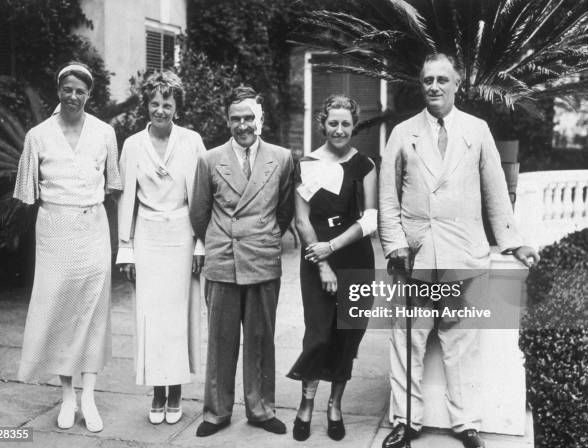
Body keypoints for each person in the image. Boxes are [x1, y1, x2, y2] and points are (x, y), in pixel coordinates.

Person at [378, 53, 540, 448]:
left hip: (463, 253)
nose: (434, 86)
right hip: (415, 255)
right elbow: (387, 197)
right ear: (422, 85)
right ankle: (406, 421)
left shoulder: (477, 129)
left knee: (461, 342)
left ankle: (465, 422)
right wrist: (396, 244)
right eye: (427, 80)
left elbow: (495, 191)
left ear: (456, 85)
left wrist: (513, 241)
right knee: (408, 340)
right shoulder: (403, 132)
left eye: (441, 80)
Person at [14, 61, 122, 433]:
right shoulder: (37, 136)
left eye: (81, 91)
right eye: (68, 89)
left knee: (92, 312)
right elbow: (28, 193)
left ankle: (88, 396)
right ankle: (67, 397)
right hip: (54, 231)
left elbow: (113, 185)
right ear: (58, 91)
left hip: (93, 228)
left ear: (89, 95)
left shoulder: (105, 133)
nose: (73, 96)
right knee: (60, 311)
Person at [189, 86, 294, 437]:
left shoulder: (281, 158)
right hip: (224, 257)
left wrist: (263, 237)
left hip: (263, 255)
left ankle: (261, 409)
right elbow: (199, 212)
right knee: (221, 339)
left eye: (249, 117)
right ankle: (216, 412)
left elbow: (284, 209)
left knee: (261, 337)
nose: (243, 125)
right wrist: (219, 240)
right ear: (227, 121)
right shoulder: (210, 159)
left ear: (260, 119)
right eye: (236, 118)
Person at [116, 71, 205, 425]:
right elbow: (126, 201)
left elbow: (200, 197)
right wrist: (126, 249)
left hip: (184, 236)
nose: (161, 110)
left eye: (167, 103)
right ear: (146, 106)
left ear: (177, 107)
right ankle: (157, 392)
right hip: (148, 238)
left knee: (180, 315)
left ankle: (177, 392)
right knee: (151, 317)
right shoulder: (133, 145)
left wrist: (201, 244)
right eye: (154, 103)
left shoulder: (192, 142)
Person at [287, 94, 377, 441]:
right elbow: (301, 219)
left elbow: (369, 219)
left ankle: (334, 405)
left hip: (355, 256)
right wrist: (323, 263)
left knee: (348, 335)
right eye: (333, 123)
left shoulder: (365, 164)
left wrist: (335, 246)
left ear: (353, 126)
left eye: (346, 124)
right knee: (319, 334)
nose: (339, 130)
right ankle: (306, 403)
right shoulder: (306, 164)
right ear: (322, 124)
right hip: (316, 257)